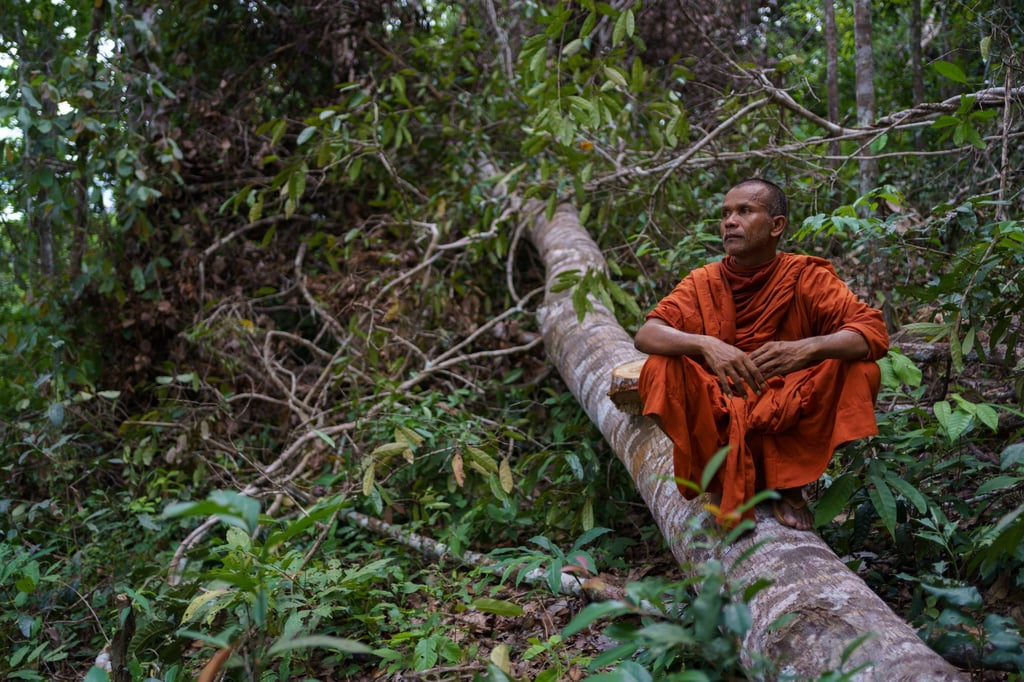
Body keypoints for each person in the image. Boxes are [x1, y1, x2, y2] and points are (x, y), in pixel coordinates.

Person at [633, 178, 889, 530]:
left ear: (776, 226)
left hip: (786, 400)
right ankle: (722, 479)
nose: (729, 221)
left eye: (744, 211)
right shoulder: (704, 281)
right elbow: (647, 334)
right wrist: (706, 345)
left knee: (861, 371)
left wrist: (806, 348)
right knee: (659, 368)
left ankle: (789, 485)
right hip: (721, 400)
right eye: (725, 213)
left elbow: (870, 332)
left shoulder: (804, 276)